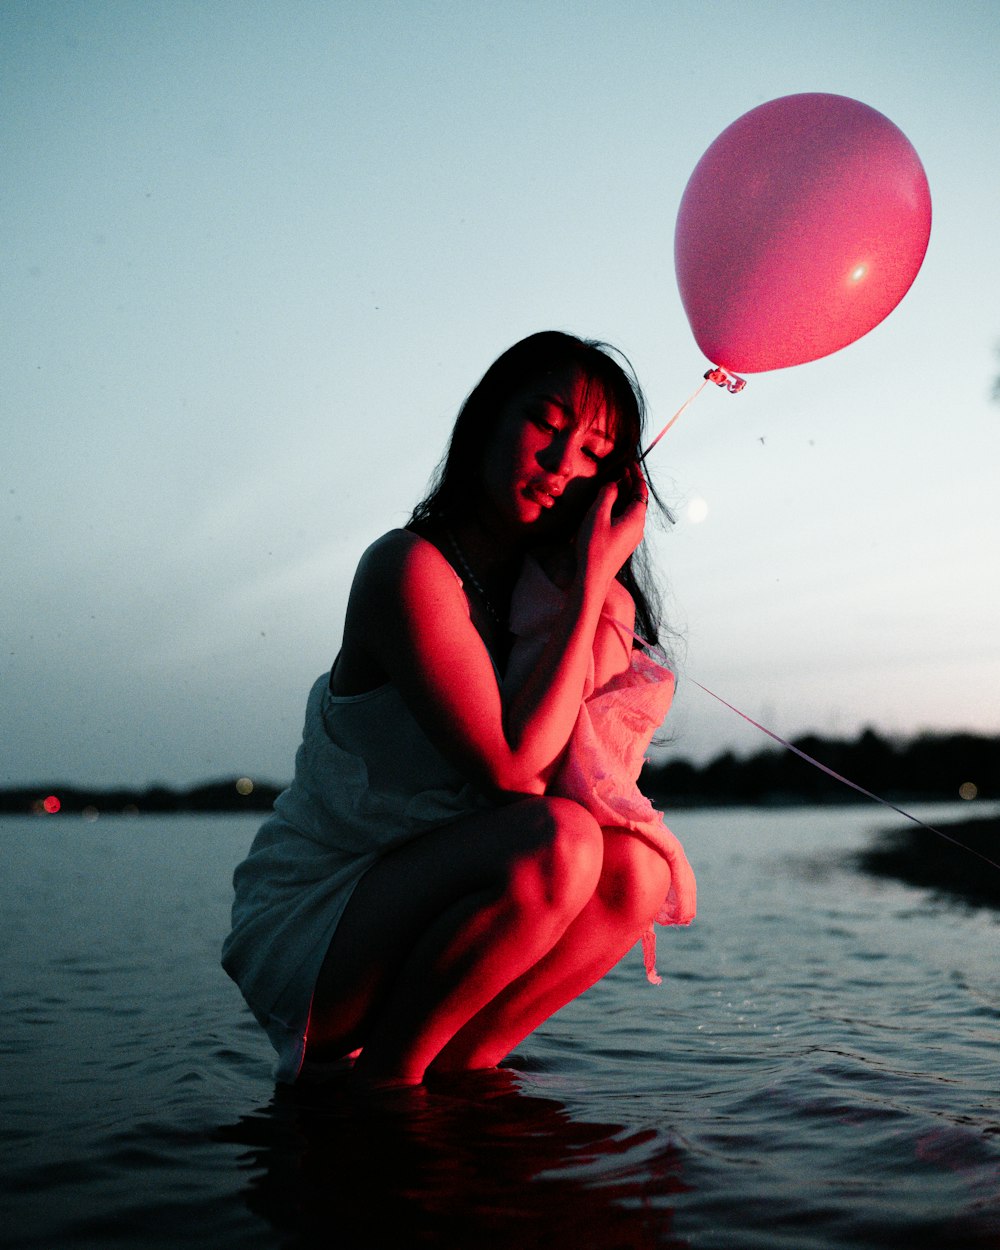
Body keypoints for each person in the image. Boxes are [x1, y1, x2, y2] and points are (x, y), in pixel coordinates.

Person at [222, 330, 696, 1086]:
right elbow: (515, 777)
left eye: (594, 452)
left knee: (637, 872)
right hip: (322, 917)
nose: (562, 463)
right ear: (487, 421)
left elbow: (574, 782)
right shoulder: (408, 568)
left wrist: (588, 594)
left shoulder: (537, 601)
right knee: (560, 841)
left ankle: (461, 1082)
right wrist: (590, 583)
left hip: (442, 895)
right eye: (547, 423)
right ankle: (387, 1091)